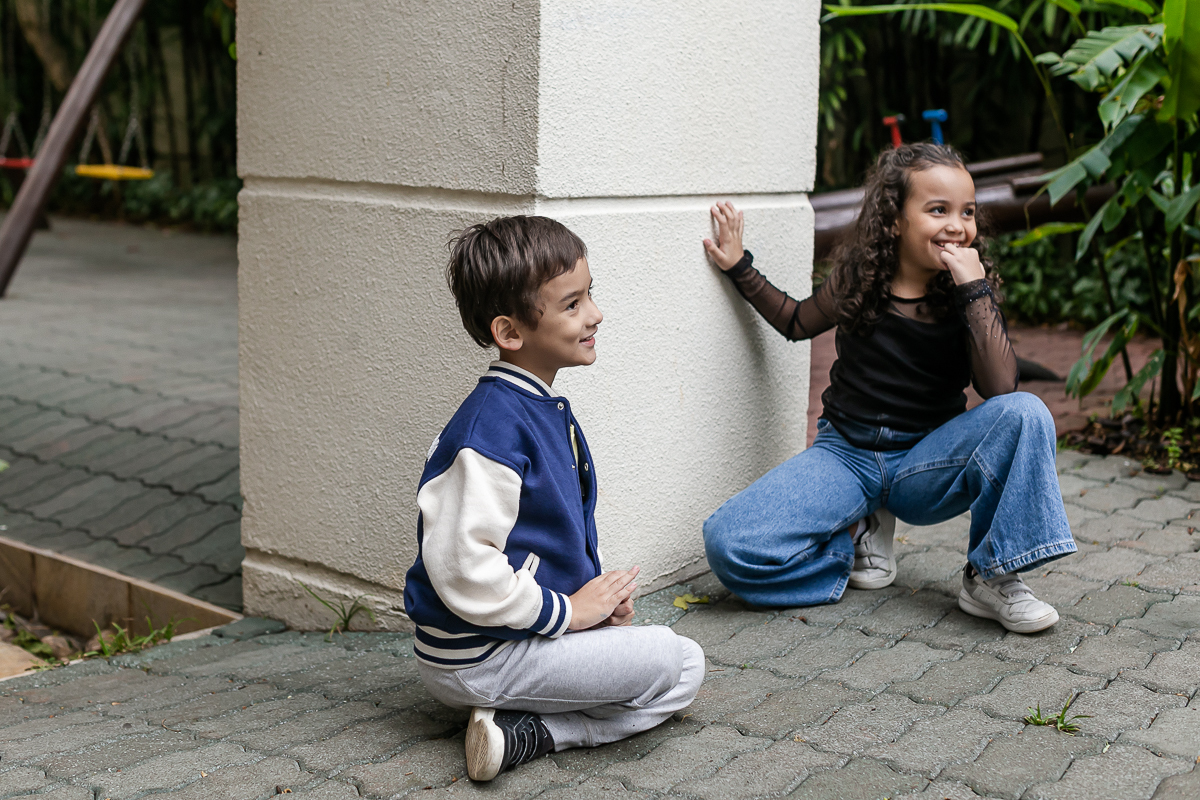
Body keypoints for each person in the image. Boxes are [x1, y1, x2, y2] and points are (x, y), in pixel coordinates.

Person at [699, 143, 1076, 634]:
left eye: (967, 212)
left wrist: (975, 293)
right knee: (727, 544)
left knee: (1026, 411)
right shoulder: (860, 281)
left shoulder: (965, 295)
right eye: (937, 209)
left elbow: (1000, 388)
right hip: (846, 456)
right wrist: (737, 266)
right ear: (895, 219)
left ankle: (991, 574)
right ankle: (847, 539)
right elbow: (794, 322)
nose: (957, 225)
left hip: (925, 463)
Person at [404, 216, 704, 782]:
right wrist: (571, 611)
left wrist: (589, 608)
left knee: (665, 662)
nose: (594, 314)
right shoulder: (490, 430)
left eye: (591, 294)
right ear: (510, 333)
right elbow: (461, 566)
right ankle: (540, 734)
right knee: (681, 662)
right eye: (572, 304)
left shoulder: (530, 408)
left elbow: (528, 541)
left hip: (497, 643)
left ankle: (514, 725)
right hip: (479, 653)